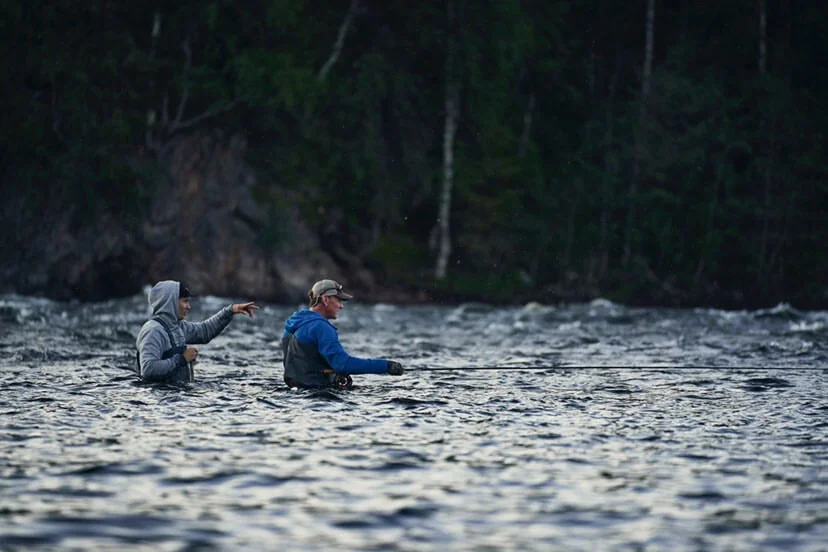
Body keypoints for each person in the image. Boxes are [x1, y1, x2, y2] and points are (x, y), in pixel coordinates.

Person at [281, 279, 404, 389]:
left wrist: (334, 376)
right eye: (338, 300)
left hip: (294, 396)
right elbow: (343, 364)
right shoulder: (321, 327)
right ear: (325, 300)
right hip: (316, 398)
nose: (341, 306)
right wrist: (386, 366)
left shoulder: (292, 325)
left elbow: (302, 365)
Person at [135, 280, 257, 383]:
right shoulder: (153, 331)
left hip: (175, 398)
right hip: (158, 401)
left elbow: (204, 331)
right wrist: (182, 359)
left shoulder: (179, 326)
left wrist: (230, 310)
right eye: (185, 301)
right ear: (170, 302)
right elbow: (148, 369)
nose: (189, 306)